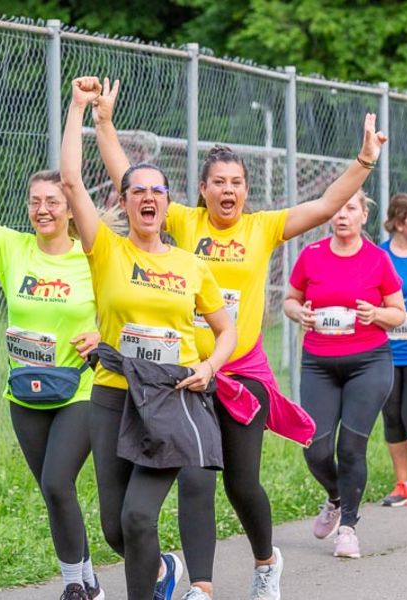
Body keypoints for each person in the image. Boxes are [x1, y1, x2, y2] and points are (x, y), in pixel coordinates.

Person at [92, 78, 387, 599]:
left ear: (246, 190)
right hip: (186, 372)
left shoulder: (262, 228)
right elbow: (130, 181)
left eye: (237, 182)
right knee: (197, 478)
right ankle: (201, 587)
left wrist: (364, 161)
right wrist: (104, 123)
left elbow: (324, 205)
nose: (228, 190)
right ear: (203, 189)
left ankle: (266, 561)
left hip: (241, 371)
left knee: (241, 482)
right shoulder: (183, 221)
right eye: (219, 182)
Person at [60, 76, 237, 600]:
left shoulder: (191, 265)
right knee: (117, 528)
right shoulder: (106, 249)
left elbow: (224, 330)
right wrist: (77, 109)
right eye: (137, 190)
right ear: (124, 201)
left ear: (166, 203)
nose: (148, 198)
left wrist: (209, 366)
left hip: (169, 395)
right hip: (113, 394)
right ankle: (162, 569)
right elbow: (71, 181)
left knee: (139, 516)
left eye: (157, 191)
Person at [0, 121, 104, 600]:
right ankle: (88, 578)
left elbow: (125, 307)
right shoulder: (12, 247)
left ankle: (74, 588)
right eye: (35, 202)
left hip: (79, 387)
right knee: (55, 493)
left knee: (57, 482)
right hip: (25, 389)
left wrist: (102, 333)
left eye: (52, 201)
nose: (42, 209)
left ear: (70, 208)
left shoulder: (92, 256)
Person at [284, 190, 405, 558]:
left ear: (363, 215)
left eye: (350, 208)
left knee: (351, 448)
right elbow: (289, 300)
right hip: (319, 363)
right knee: (315, 448)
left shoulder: (377, 259)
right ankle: (336, 497)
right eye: (337, 208)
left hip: (368, 363)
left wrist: (377, 314)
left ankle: (349, 528)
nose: (342, 215)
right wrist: (299, 314)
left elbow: (397, 312)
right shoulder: (311, 255)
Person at [380, 193, 407, 506]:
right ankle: (402, 485)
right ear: (398, 222)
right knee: (393, 417)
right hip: (386, 350)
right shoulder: (379, 256)